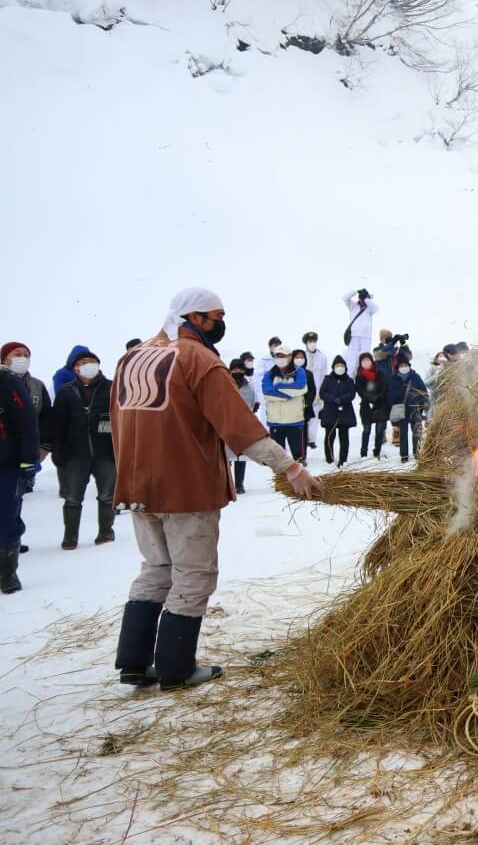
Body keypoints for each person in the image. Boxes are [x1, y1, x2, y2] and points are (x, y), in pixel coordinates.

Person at [111, 288, 321, 690]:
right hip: (184, 486)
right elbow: (239, 428)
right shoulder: (198, 359)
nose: (220, 323)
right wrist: (291, 467)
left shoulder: (133, 357)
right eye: (216, 315)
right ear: (195, 317)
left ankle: (134, 663)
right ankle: (176, 668)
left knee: (156, 569)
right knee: (193, 575)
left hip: (138, 485)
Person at [51, 349, 117, 548]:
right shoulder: (66, 391)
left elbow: (121, 420)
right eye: (83, 362)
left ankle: (106, 531)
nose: (88, 364)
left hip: (106, 451)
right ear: (75, 368)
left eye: (92, 361)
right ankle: (70, 536)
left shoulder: (112, 388)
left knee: (107, 495)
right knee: (72, 498)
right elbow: (58, 424)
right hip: (75, 454)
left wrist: (119, 449)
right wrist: (58, 450)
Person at [2, 342, 53, 555]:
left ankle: (11, 544)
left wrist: (43, 448)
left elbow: (45, 419)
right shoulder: (4, 381)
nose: (22, 358)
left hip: (24, 454)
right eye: (17, 354)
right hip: (9, 451)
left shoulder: (37, 386)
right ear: (5, 358)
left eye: (25, 354)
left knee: (14, 498)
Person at [0, 365, 40, 594]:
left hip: (6, 465)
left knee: (6, 519)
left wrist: (27, 463)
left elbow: (27, 424)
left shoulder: (7, 381)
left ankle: (7, 573)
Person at [262, 347, 308, 458]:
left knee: (299, 457)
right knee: (278, 457)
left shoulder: (299, 371)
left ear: (290, 357)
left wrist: (278, 387)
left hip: (295, 421)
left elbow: (301, 387)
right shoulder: (269, 374)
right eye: (278, 356)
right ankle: (280, 476)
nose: (280, 358)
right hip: (275, 421)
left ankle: (299, 475)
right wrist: (288, 395)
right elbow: (267, 393)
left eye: (283, 356)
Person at [388, 359, 429, 463]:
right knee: (403, 434)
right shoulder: (393, 378)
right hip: (402, 411)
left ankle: (417, 453)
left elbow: (423, 392)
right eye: (401, 365)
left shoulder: (415, 377)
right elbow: (389, 394)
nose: (403, 367)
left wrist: (423, 404)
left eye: (405, 365)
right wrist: (399, 393)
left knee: (417, 433)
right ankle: (404, 455)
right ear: (398, 367)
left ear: (409, 366)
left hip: (415, 409)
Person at [318, 357, 357, 467]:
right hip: (330, 411)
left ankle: (343, 459)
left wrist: (342, 399)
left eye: (342, 366)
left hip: (345, 412)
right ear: (333, 367)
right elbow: (322, 393)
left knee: (344, 437)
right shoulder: (328, 379)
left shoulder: (349, 380)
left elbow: (352, 393)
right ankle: (329, 459)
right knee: (330, 435)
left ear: (345, 367)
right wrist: (332, 399)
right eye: (337, 366)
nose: (339, 368)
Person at [227, 359, 258, 494]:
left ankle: (239, 484)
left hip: (242, 426)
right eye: (234, 369)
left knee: (240, 457)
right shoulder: (223, 383)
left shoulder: (249, 387)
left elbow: (252, 404)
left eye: (240, 370)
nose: (237, 372)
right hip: (225, 425)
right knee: (225, 458)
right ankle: (227, 484)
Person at [355, 351, 390, 459]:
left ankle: (377, 451)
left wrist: (378, 398)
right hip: (366, 405)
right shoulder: (359, 376)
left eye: (368, 360)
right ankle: (363, 452)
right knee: (366, 430)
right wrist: (371, 398)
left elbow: (385, 387)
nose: (366, 362)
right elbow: (360, 391)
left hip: (381, 404)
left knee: (379, 430)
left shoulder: (380, 374)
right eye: (363, 361)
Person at [301, 332, 329, 450]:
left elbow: (324, 374)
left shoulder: (322, 357)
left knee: (315, 416)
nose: (312, 344)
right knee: (304, 415)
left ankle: (311, 440)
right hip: (304, 391)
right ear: (306, 343)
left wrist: (321, 392)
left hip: (317, 390)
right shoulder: (301, 356)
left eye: (314, 341)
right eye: (309, 342)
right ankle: (303, 438)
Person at [342, 289, 379, 369]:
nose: (362, 300)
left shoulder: (369, 309)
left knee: (365, 358)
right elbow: (345, 298)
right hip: (354, 335)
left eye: (363, 298)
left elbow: (376, 308)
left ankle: (364, 376)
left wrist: (365, 298)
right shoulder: (353, 306)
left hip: (365, 336)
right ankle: (350, 377)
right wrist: (354, 291)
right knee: (351, 358)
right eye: (361, 298)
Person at [292, 348, 317, 460]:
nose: (299, 359)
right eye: (297, 357)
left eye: (302, 357)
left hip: (304, 408)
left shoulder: (308, 374)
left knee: (303, 434)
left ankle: (302, 457)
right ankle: (294, 457)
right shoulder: (288, 374)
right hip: (290, 408)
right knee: (292, 434)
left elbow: (312, 390)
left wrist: (307, 402)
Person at [254, 337, 281, 428]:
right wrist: (261, 397)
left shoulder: (283, 360)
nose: (277, 347)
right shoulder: (263, 360)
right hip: (266, 397)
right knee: (266, 424)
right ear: (269, 347)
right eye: (275, 345)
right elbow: (258, 381)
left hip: (279, 397)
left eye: (278, 345)